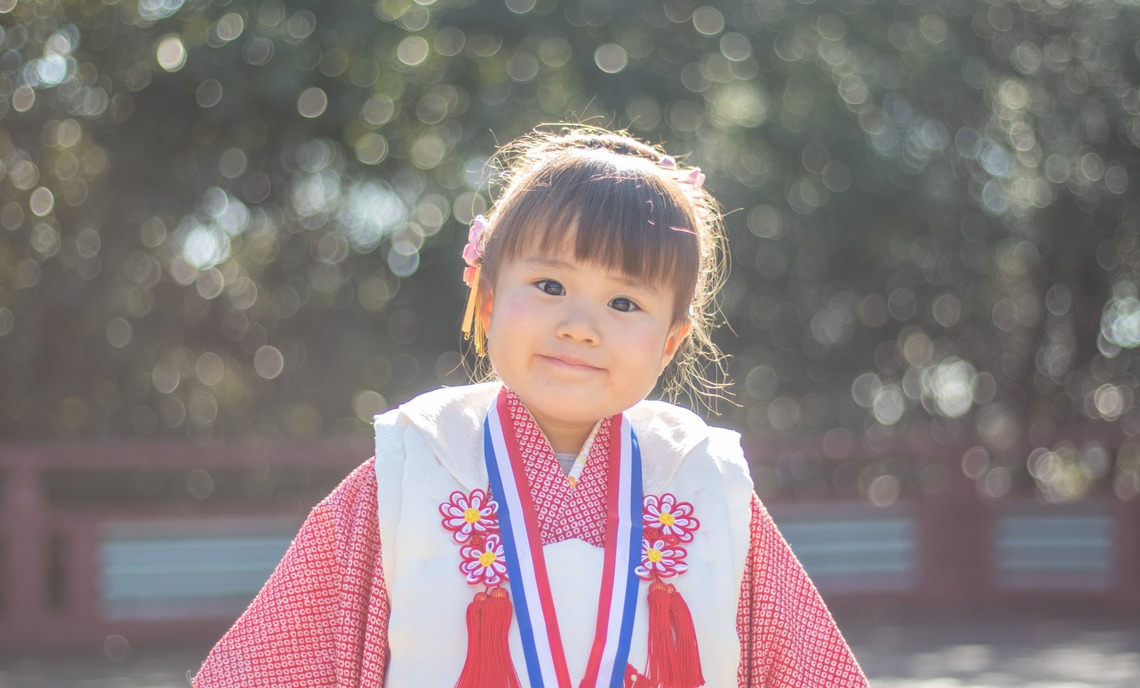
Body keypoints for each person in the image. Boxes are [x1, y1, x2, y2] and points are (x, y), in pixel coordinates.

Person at [193, 126, 868, 687]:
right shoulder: (409, 469)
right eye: (549, 284)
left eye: (624, 302)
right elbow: (277, 665)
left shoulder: (706, 482)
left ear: (669, 343)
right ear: (486, 299)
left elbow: (804, 667)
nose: (579, 325)